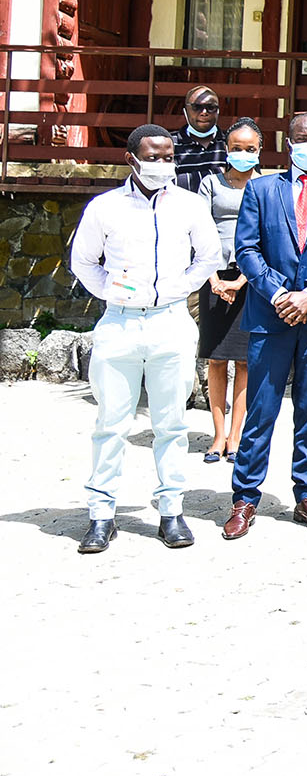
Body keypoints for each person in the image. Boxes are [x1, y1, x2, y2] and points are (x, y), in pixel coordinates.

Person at [69, 126, 223, 553]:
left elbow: (209, 256)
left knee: (171, 423)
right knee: (111, 424)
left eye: (167, 156)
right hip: (118, 323)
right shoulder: (105, 208)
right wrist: (108, 291)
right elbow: (82, 260)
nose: (161, 164)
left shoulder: (190, 206)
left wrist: (176, 290)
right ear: (131, 158)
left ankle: (171, 510)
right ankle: (101, 515)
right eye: (152, 156)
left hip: (170, 322)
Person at [222, 112, 307, 540]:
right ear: (289, 142)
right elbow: (246, 248)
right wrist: (279, 293)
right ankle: (244, 498)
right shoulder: (262, 189)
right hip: (270, 315)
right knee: (260, 411)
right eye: (303, 138)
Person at [197, 120, 267, 463]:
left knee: (243, 360)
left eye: (249, 149)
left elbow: (268, 237)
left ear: (259, 151)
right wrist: (213, 278)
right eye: (236, 148)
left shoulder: (267, 186)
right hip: (213, 275)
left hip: (251, 278)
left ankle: (237, 435)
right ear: (226, 149)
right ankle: (217, 434)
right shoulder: (210, 183)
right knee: (216, 358)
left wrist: (242, 280)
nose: (242, 154)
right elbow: (199, 229)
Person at [172, 86, 227, 189]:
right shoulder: (170, 144)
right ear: (185, 111)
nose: (204, 112)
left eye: (211, 107)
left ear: (218, 111)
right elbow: (167, 184)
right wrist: (219, 174)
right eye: (196, 107)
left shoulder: (230, 143)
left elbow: (242, 180)